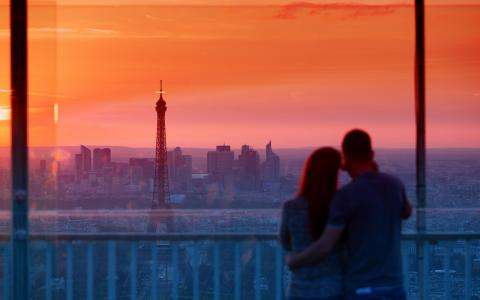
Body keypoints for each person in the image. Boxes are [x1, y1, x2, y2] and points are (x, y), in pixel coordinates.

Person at [287, 129, 412, 300]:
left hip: (362, 287)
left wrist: (295, 261)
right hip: (393, 284)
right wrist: (376, 172)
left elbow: (325, 245)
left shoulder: (346, 196)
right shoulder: (394, 185)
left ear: (344, 159)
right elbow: (406, 212)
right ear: (372, 154)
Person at [279, 147, 344, 300]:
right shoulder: (342, 206)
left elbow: (286, 244)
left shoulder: (292, 207)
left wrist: (295, 259)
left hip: (301, 288)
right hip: (335, 288)